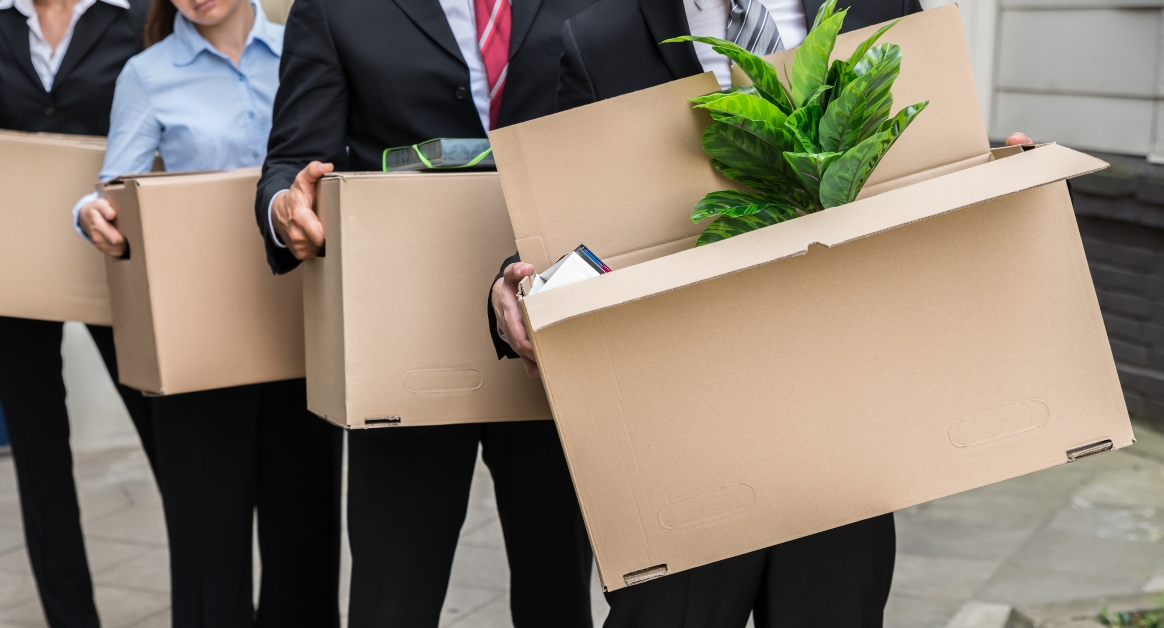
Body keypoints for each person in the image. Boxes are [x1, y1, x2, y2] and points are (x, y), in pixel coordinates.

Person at [487, 0, 1036, 626]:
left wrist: (995, 182)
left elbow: (924, 163)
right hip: (682, 438)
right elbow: (560, 219)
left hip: (846, 428)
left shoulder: (881, 9)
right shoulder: (596, 37)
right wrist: (514, 286)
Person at [253, 0, 601, 623]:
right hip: (404, 339)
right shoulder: (332, 11)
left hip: (549, 326)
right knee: (394, 593)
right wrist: (285, 209)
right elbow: (290, 159)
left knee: (560, 589)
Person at [70, 0, 343, 625]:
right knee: (206, 553)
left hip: (301, 327)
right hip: (197, 342)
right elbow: (115, 186)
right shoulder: (146, 73)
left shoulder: (310, 47)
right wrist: (91, 214)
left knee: (305, 548)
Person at [0, 0, 157, 625]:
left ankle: (209, 595)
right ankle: (70, 617)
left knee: (167, 433)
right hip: (15, 265)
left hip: (119, 253)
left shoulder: (137, 13)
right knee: (39, 455)